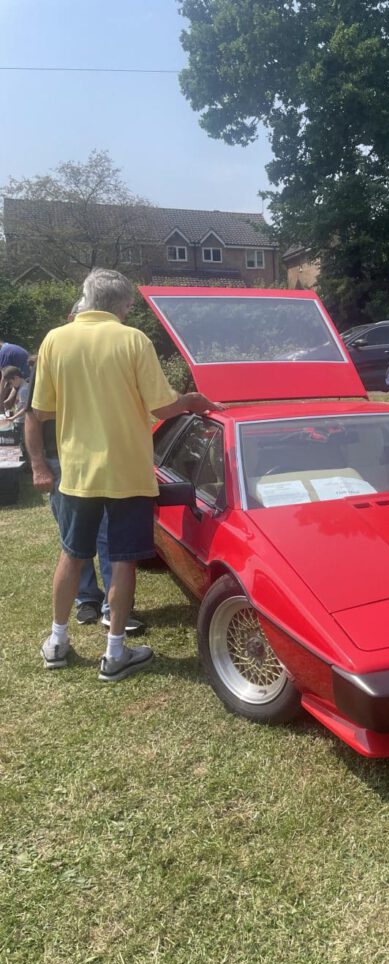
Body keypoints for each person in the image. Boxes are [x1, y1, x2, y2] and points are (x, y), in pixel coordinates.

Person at [31, 268, 223, 682]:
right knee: (122, 561)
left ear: (85, 298)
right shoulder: (133, 339)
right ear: (124, 306)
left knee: (72, 553)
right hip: (129, 473)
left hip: (78, 472)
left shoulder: (55, 339)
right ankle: (115, 653)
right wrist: (190, 400)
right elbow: (163, 408)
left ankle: (58, 642)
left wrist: (42, 462)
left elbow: (41, 411)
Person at [25, 305, 143, 632]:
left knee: (106, 534)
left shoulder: (104, 354)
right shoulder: (54, 352)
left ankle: (111, 608)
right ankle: (86, 599)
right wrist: (38, 466)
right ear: (71, 317)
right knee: (74, 541)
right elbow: (32, 417)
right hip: (61, 461)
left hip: (98, 461)